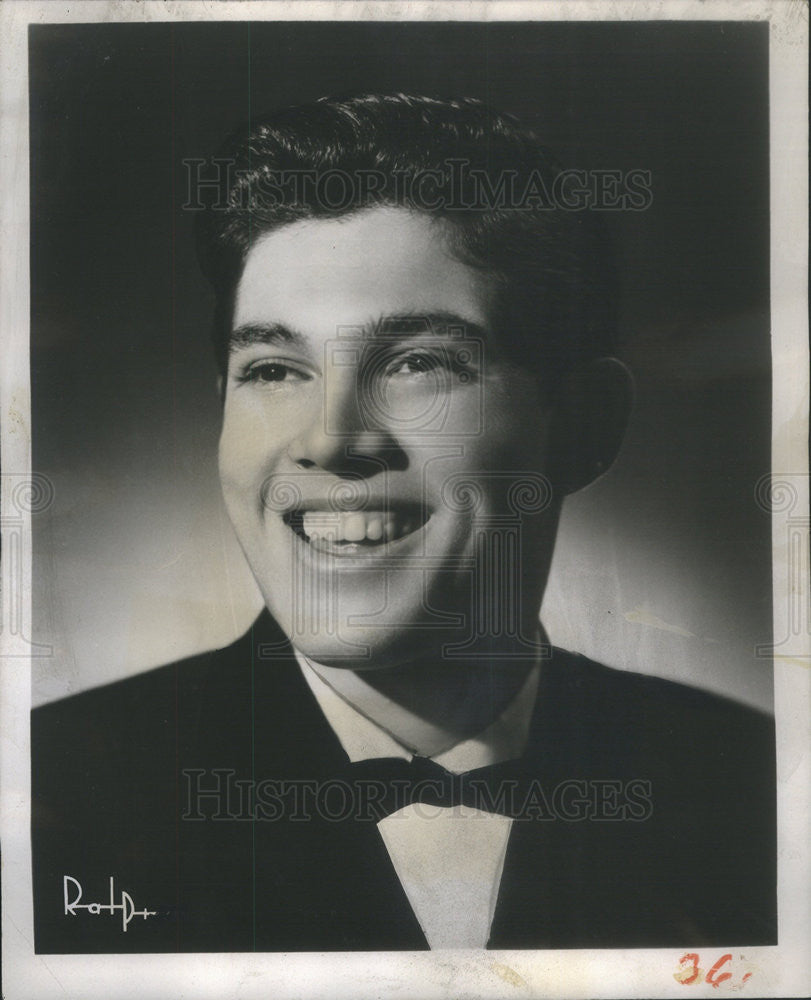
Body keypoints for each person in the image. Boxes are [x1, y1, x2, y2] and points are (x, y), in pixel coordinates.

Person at [31, 94, 776, 953]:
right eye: (274, 370)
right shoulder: (50, 794)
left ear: (582, 426)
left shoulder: (756, 785)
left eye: (418, 362)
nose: (331, 439)